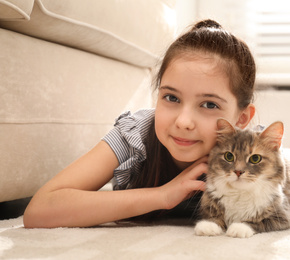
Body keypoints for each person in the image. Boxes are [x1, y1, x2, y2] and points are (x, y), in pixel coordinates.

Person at [23, 19, 257, 228]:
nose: (183, 122)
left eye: (209, 105)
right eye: (171, 98)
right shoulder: (134, 135)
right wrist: (163, 195)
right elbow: (38, 211)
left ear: (242, 118)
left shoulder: (254, 159)